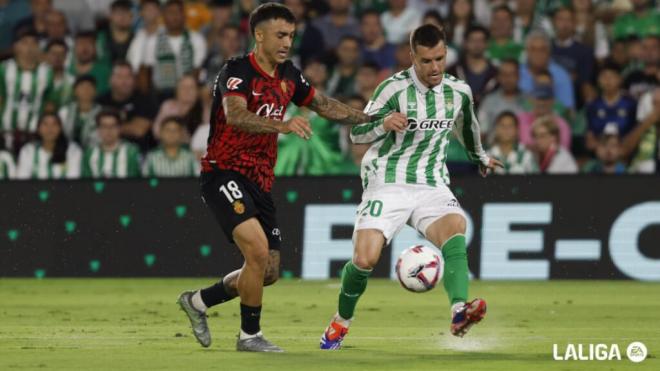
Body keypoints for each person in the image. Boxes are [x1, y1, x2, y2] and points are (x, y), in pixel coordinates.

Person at [176, 3, 377, 353]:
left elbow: (324, 105)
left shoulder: (289, 75)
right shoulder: (236, 72)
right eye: (280, 35)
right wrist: (282, 125)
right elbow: (235, 115)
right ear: (259, 35)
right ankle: (249, 337)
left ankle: (197, 303)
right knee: (256, 250)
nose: (287, 42)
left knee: (267, 271)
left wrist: (371, 119)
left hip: (260, 180)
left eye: (291, 36)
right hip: (224, 172)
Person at [320, 24, 502, 350]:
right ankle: (340, 322)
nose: (435, 68)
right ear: (412, 57)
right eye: (427, 60)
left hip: (431, 181)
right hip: (387, 180)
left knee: (456, 227)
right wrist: (382, 122)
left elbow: (467, 128)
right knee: (364, 260)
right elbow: (356, 135)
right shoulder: (392, 90)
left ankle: (460, 311)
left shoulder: (458, 92)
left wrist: (481, 158)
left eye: (440, 59)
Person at [138, 0, 207, 100]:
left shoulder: (196, 39)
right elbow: (145, 70)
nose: (174, 16)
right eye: (170, 12)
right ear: (163, 16)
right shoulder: (153, 40)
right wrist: (146, 97)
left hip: (188, 94)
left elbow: (198, 70)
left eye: (178, 12)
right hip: (160, 94)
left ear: (184, 15)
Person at [1, 29, 56, 153]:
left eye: (33, 43)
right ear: (15, 46)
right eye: (25, 43)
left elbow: (49, 105)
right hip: (5, 132)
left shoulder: (47, 73)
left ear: (38, 48)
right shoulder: (4, 69)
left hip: (34, 135)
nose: (29, 48)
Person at [97, 61, 158, 152]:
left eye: (128, 77)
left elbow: (139, 130)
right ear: (111, 79)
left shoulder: (145, 100)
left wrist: (108, 128)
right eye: (119, 77)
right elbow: (93, 128)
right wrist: (127, 127)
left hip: (139, 153)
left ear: (134, 79)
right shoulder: (100, 101)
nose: (124, 81)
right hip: (106, 152)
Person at [585, 64, 637, 151]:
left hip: (626, 151)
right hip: (599, 152)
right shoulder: (593, 105)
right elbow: (590, 137)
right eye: (604, 76)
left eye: (612, 77)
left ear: (620, 79)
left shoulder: (631, 104)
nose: (608, 80)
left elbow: (635, 132)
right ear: (598, 80)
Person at [16, 113, 82, 179]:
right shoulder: (28, 151)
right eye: (45, 124)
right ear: (38, 129)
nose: (50, 129)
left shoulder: (73, 150)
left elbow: (73, 181)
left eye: (54, 124)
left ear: (60, 128)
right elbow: (22, 180)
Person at [81, 109, 141, 178]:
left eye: (113, 126)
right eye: (104, 126)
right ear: (98, 129)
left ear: (120, 128)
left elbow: (136, 184)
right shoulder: (89, 154)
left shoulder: (131, 152)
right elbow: (86, 184)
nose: (108, 130)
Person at [152, 74, 208, 142]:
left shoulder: (205, 110)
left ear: (197, 91)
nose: (187, 91)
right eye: (183, 87)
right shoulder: (167, 106)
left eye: (191, 87)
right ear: (177, 90)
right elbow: (156, 131)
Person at [478, 59, 526, 136]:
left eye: (512, 74)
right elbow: (482, 132)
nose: (508, 79)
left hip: (521, 146)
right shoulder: (488, 101)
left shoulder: (528, 101)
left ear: (518, 76)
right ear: (498, 77)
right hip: (492, 146)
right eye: (504, 74)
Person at [58, 75, 101, 149]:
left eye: (89, 87)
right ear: (75, 91)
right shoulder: (64, 112)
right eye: (82, 87)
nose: (86, 90)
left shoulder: (101, 113)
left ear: (95, 91)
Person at [96, 0, 134, 66]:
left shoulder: (138, 38)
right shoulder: (101, 38)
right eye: (118, 13)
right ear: (110, 16)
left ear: (131, 16)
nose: (122, 17)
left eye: (126, 12)